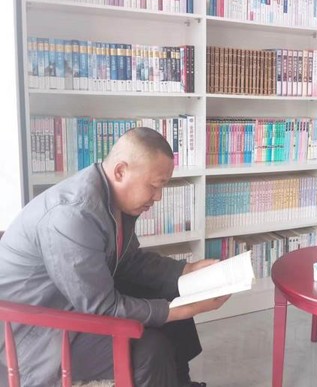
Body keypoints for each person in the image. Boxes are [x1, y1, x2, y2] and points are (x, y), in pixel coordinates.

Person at [0, 127, 229, 387]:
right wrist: (175, 311)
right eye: (154, 186)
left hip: (70, 302)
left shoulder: (110, 198)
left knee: (171, 290)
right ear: (121, 171)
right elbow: (102, 308)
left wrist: (186, 270)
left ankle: (179, 382)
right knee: (150, 349)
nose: (158, 196)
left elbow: (128, 262)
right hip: (32, 333)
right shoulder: (73, 215)